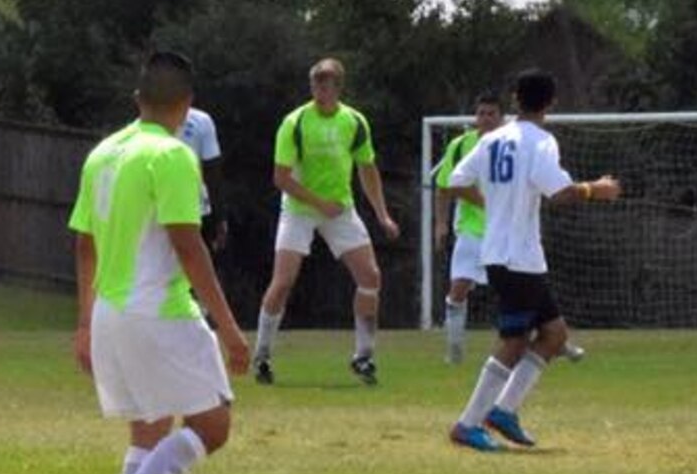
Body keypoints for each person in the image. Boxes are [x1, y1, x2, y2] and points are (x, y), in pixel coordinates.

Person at [70, 51, 250, 474]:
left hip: (111, 312)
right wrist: (229, 327)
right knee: (213, 426)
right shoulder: (172, 155)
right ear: (188, 107)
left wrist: (83, 322)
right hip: (160, 310)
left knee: (148, 430)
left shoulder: (103, 154)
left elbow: (84, 243)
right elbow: (187, 243)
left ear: (137, 101)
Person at [440, 69, 620, 451]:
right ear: (551, 102)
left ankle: (503, 411)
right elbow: (559, 193)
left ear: (515, 99)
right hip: (516, 257)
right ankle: (467, 423)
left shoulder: (492, 139)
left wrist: (492, 202)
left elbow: (454, 179)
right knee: (514, 341)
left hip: (505, 254)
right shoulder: (541, 141)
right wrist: (597, 189)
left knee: (554, 336)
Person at [251, 58, 400, 385]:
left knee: (370, 276)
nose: (319, 90)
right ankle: (261, 355)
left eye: (326, 83)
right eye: (315, 83)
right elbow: (281, 177)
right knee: (284, 280)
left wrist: (382, 214)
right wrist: (319, 204)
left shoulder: (354, 121)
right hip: (300, 209)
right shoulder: (295, 122)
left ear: (338, 87)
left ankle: (363, 356)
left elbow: (367, 168)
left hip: (340, 210)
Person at [432, 91, 505, 365]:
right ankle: (454, 347)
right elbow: (445, 186)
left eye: (491, 114)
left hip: (503, 231)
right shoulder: (461, 146)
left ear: (501, 117)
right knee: (459, 287)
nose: (485, 119)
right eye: (481, 113)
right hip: (471, 229)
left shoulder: (509, 146)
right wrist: (440, 224)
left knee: (513, 289)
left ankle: (518, 345)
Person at [178, 104, 228, 253]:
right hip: (193, 210)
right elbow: (212, 171)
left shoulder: (141, 126)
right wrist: (219, 218)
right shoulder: (200, 120)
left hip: (159, 209)